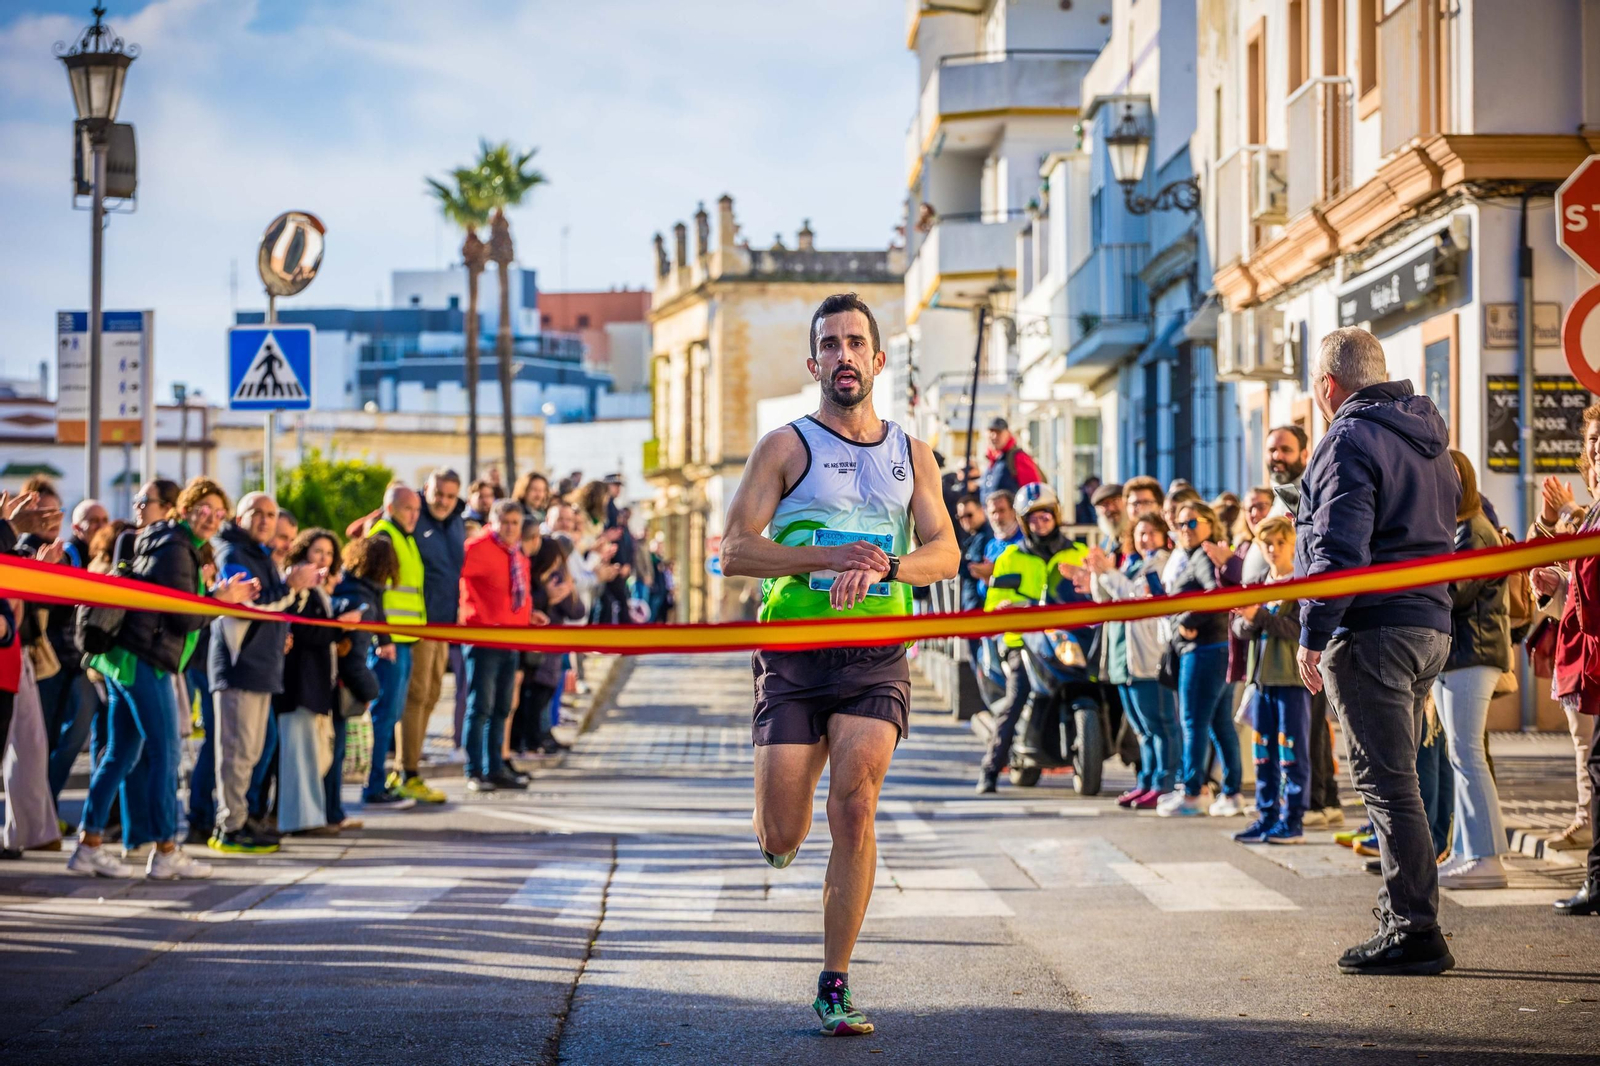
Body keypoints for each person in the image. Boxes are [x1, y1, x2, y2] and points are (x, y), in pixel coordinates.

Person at [721, 292, 958, 1036]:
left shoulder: (912, 453)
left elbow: (944, 550)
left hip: (874, 653)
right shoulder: (785, 446)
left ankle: (835, 981)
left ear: (878, 360)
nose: (844, 354)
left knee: (855, 806)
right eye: (830, 344)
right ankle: (778, 823)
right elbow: (733, 550)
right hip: (792, 653)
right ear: (814, 362)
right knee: (781, 835)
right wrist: (831, 554)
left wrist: (885, 567)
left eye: (857, 342)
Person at [1294, 326, 1459, 976]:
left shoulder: (1347, 437)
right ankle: (1407, 916)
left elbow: (1339, 551)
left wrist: (1313, 631)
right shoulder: (1428, 440)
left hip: (1374, 630)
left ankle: (1414, 926)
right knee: (1401, 781)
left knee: (1388, 785)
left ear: (1328, 386)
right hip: (1428, 624)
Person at [68, 477, 258, 880]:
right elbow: (185, 615)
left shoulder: (170, 541)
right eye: (204, 509)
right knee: (166, 754)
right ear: (184, 508)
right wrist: (221, 602)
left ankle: (89, 845)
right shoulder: (175, 546)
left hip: (130, 659)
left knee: (121, 754)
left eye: (219, 513)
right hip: (144, 660)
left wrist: (212, 597)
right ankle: (166, 849)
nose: (211, 518)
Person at [207, 492, 319, 854]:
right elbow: (249, 605)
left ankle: (241, 818)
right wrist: (290, 585)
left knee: (251, 752)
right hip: (240, 668)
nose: (266, 520)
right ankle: (229, 826)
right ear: (240, 517)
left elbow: (274, 602)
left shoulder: (258, 553)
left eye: (271, 514)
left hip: (262, 667)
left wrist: (292, 587)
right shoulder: (232, 552)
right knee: (237, 752)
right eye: (257, 513)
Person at [1431, 450, 1514, 889]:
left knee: (1467, 755)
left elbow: (1456, 593)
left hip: (1473, 653)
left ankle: (1488, 858)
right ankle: (1466, 850)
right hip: (1459, 654)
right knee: (1460, 755)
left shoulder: (1473, 532)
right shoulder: (1459, 531)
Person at [977, 483, 1086, 794]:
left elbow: (1096, 592)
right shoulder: (1010, 557)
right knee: (1016, 698)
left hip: (1068, 639)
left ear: (1056, 516)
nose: (1041, 523)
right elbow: (992, 603)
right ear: (1024, 522)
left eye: (1045, 516)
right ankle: (990, 769)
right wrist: (1004, 607)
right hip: (1023, 644)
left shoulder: (1078, 553)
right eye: (1033, 518)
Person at [1081, 512, 1177, 809]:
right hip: (1125, 658)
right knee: (1141, 728)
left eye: (1151, 533)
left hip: (1149, 657)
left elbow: (1133, 598)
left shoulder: (1160, 563)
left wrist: (1109, 572)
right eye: (1140, 533)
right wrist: (1098, 571)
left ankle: (1165, 782)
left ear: (1163, 536)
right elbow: (1105, 598)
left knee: (1159, 724)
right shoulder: (1131, 563)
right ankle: (1146, 780)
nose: (1144, 538)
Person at [1156, 499, 1245, 818]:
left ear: (1210, 523)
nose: (1185, 530)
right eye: (1180, 524)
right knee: (1219, 724)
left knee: (1193, 721)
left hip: (1205, 651)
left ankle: (1194, 792)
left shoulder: (1204, 556)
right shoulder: (1196, 555)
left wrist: (1186, 621)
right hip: (1215, 649)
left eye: (1192, 522)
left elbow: (1215, 595)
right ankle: (1231, 793)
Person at [276, 529, 363, 836]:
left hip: (315, 687)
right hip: (298, 685)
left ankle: (312, 818)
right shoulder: (299, 589)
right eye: (317, 552)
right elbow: (303, 633)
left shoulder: (318, 591)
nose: (323, 558)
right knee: (298, 758)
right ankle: (301, 822)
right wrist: (339, 627)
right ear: (303, 554)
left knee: (312, 757)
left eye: (328, 553)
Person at [1231, 516, 1311, 844]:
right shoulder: (1260, 582)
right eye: (1267, 543)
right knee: (1262, 750)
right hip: (1261, 680)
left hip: (1291, 679)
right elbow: (1239, 628)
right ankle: (1266, 815)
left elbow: (1297, 629)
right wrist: (1249, 619)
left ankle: (1292, 820)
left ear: (1293, 544)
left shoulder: (1299, 584)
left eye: (1280, 542)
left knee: (1291, 752)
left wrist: (1259, 616)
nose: (1273, 549)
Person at [459, 500, 544, 791]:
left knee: (502, 708)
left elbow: (516, 594)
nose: (509, 528)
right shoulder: (476, 548)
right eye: (504, 522)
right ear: (494, 522)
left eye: (514, 523)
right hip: (483, 639)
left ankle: (496, 767)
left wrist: (528, 614)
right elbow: (456, 581)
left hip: (511, 640)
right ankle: (474, 770)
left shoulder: (518, 555)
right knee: (480, 706)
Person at [393, 468, 465, 805]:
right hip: (415, 624)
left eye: (451, 496)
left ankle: (410, 767)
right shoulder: (412, 515)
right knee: (416, 696)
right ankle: (407, 771)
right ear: (426, 489)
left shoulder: (457, 522)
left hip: (444, 625)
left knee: (433, 696)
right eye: (439, 494)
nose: (444, 502)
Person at [363, 485, 427, 809]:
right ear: (390, 507)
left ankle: (379, 782)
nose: (413, 515)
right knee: (384, 714)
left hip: (405, 639)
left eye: (417, 509)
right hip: (389, 644)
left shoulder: (404, 536)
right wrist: (383, 638)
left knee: (392, 714)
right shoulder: (384, 537)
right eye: (407, 509)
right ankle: (373, 786)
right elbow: (373, 593)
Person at [330, 535, 399, 828]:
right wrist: (372, 690)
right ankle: (332, 812)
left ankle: (331, 810)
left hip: (326, 683)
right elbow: (353, 661)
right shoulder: (362, 602)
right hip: (338, 689)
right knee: (335, 752)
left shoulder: (354, 589)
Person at [979, 417, 1041, 500]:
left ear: (1008, 434)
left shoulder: (1018, 457)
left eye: (998, 432)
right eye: (991, 432)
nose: (994, 436)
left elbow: (1033, 492)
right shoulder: (992, 461)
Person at [1091, 482, 1127, 556]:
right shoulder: (1106, 544)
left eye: (1115, 501)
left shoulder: (1137, 537)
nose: (1111, 509)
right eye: (1105, 504)